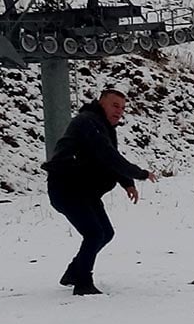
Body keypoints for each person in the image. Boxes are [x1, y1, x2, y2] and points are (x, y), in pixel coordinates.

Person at [42, 88, 157, 296]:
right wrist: (140, 173)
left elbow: (109, 157)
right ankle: (83, 282)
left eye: (122, 108)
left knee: (106, 233)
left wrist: (127, 182)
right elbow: (108, 155)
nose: (119, 111)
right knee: (94, 233)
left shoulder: (103, 126)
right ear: (101, 103)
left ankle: (74, 272)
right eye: (115, 105)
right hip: (67, 187)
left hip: (85, 190)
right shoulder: (87, 122)